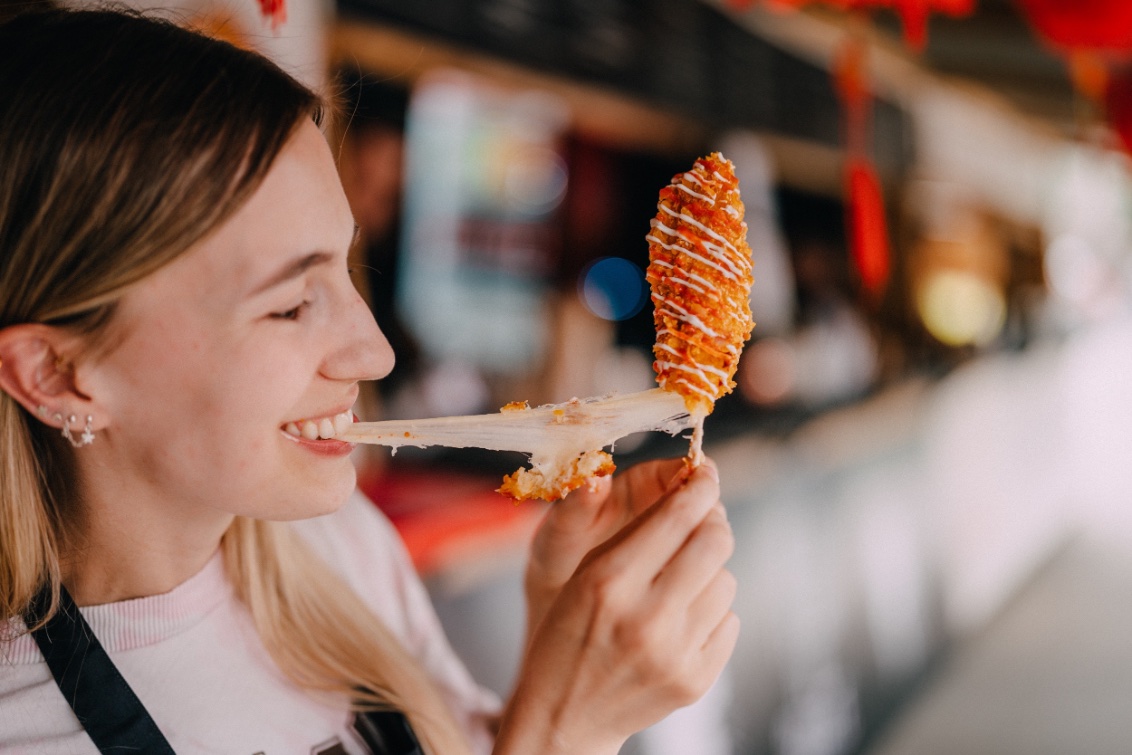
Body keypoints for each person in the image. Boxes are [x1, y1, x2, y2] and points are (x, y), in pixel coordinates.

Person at [0, 7, 739, 755]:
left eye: (344, 268)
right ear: (56, 374)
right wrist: (566, 730)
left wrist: (562, 633)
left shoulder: (339, 547)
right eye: (290, 305)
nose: (375, 353)